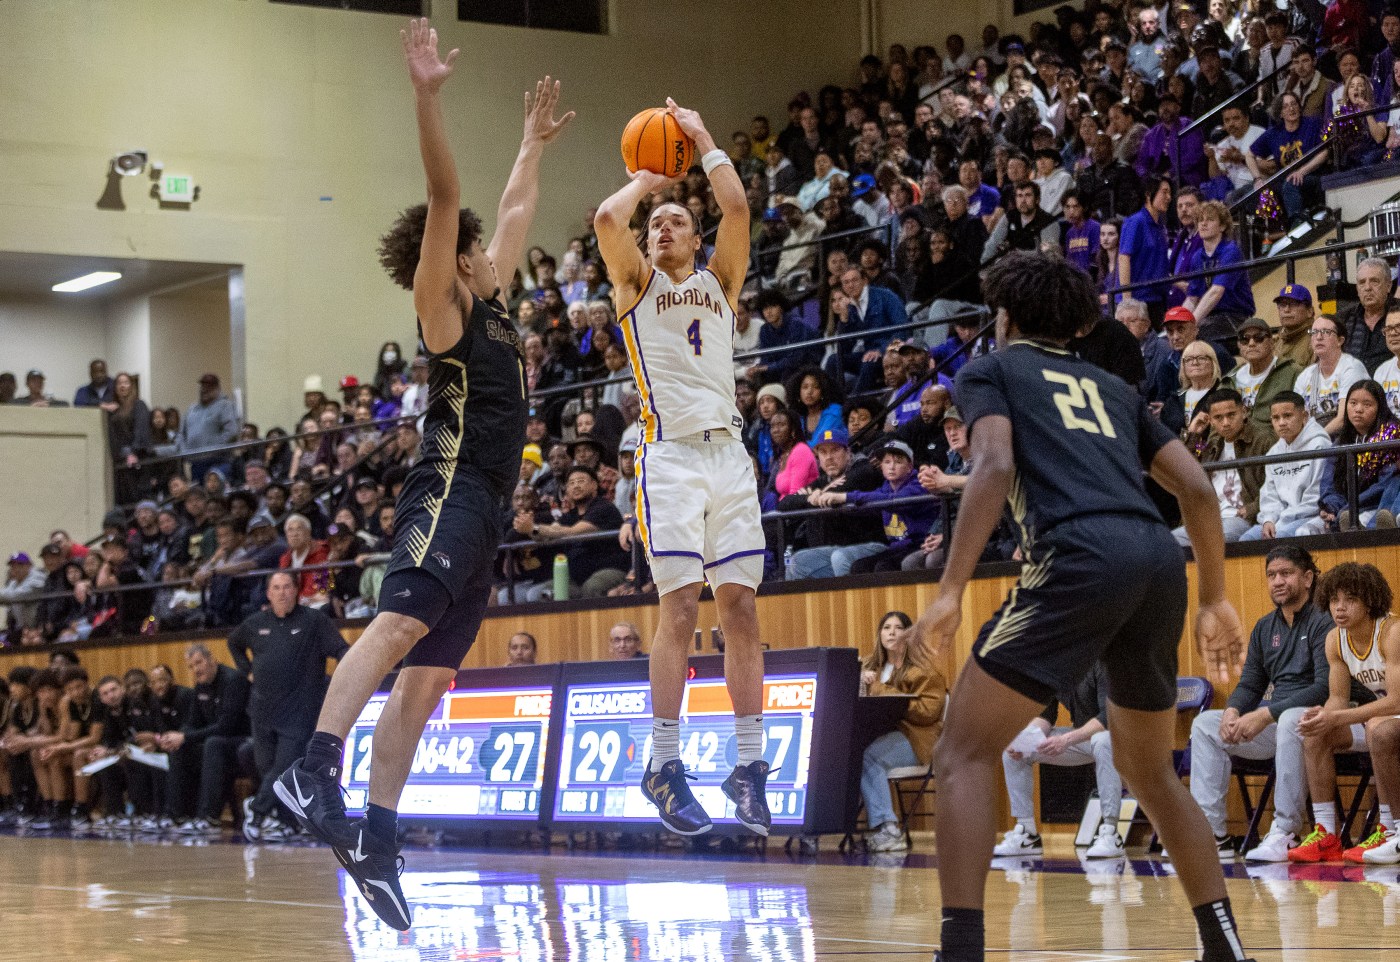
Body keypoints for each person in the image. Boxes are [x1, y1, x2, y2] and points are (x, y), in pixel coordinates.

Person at [275, 21, 571, 933]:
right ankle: (311, 764)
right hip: (448, 492)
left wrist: (530, 145)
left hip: (488, 517)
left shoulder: (496, 306)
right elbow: (448, 194)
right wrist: (427, 96)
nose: (490, 245)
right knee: (398, 623)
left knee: (427, 680)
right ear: (451, 258)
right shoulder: (442, 308)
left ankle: (377, 836)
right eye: (474, 243)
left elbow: (514, 210)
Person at [908, 251, 1249, 962]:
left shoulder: (992, 370)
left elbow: (994, 467)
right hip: (1157, 560)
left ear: (1003, 317)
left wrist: (948, 592)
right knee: (1149, 770)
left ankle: (960, 951)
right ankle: (1224, 946)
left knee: (963, 751)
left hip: (1078, 555)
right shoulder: (1115, 388)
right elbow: (1198, 489)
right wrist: (1215, 596)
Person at [593, 96, 772, 840]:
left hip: (729, 455)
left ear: (695, 241)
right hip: (667, 459)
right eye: (655, 224)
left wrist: (699, 137)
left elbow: (735, 204)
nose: (660, 227)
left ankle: (749, 765)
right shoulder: (636, 284)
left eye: (673, 222)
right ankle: (663, 763)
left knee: (741, 610)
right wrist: (646, 178)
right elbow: (608, 220)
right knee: (679, 611)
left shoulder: (719, 282)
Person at [1188, 545, 1332, 861]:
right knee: (1206, 725)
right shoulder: (1265, 627)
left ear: (1307, 578)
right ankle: (1211, 835)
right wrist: (1232, 711)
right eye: (1271, 575)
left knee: (1293, 717)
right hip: (1274, 724)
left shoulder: (1324, 620)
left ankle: (1287, 832)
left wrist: (1266, 715)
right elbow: (1251, 684)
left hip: (1316, 723)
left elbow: (1325, 687)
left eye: (1286, 573)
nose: (1277, 581)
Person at [1289, 563, 1400, 864]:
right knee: (1316, 733)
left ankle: (1391, 833)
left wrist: (1337, 717)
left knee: (1380, 727)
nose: (1339, 607)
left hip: (1392, 716)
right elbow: (1338, 700)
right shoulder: (1335, 640)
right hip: (1382, 720)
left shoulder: (1391, 633)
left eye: (1350, 599)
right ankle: (1326, 834)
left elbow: (1396, 702)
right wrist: (1323, 716)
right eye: (1334, 599)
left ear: (1369, 601)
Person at [229, 571, 348, 842]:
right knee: (267, 769)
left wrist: (348, 676)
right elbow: (233, 642)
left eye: (286, 587)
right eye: (276, 588)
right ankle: (285, 823)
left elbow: (341, 649)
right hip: (261, 711)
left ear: (296, 591)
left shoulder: (314, 622)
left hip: (299, 711)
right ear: (268, 593)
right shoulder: (255, 623)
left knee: (283, 770)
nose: (281, 592)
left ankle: (257, 812)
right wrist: (247, 670)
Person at [993, 663, 1128, 859]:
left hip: (1120, 739)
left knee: (1102, 740)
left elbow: (1108, 718)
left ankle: (1110, 832)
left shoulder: (1102, 661)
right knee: (1015, 750)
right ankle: (1027, 833)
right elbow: (1046, 715)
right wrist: (1025, 741)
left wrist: (1066, 740)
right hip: (1084, 739)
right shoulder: (1056, 665)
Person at [860, 611, 947, 853]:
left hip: (916, 738)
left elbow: (929, 711)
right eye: (886, 627)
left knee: (869, 757)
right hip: (881, 735)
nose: (891, 632)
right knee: (847, 753)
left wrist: (877, 690)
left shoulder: (924, 669)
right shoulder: (870, 667)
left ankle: (888, 828)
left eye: (898, 628)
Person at [159, 643, 251, 835]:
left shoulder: (234, 680)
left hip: (241, 742)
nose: (196, 670)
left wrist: (185, 736)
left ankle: (208, 818)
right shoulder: (201, 686)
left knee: (212, 744)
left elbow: (227, 726)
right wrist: (175, 737)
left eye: (198, 663)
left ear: (212, 660)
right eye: (191, 667)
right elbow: (192, 722)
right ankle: (175, 815)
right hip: (216, 744)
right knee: (180, 749)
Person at [1172, 388, 1272, 547]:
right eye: (1218, 417)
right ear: (1210, 420)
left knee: (1211, 541)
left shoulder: (1263, 440)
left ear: (1244, 412)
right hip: (1208, 518)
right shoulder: (1211, 445)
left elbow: (1276, 485)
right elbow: (1185, 469)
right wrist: (1193, 434)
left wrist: (1253, 508)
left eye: (1231, 415)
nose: (1225, 423)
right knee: (1169, 543)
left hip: (1242, 519)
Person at [1240, 392, 1332, 541]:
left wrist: (1281, 521)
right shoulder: (1274, 452)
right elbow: (1269, 495)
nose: (1281, 423)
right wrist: (1269, 520)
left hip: (1311, 517)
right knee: (1247, 539)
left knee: (1282, 538)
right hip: (1280, 520)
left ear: (1304, 416)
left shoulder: (1320, 445)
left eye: (1288, 416)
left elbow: (1316, 497)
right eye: (1276, 418)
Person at [1182, 202, 1254, 349]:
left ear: (1222, 226)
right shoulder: (1197, 257)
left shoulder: (1231, 251)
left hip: (1235, 317)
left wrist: (1191, 325)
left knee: (1198, 338)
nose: (1203, 223)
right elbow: (1192, 298)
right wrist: (1179, 322)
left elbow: (1216, 292)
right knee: (1171, 339)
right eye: (1200, 220)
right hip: (1210, 317)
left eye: (1210, 219)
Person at [1294, 314, 1368, 437]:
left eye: (1326, 332)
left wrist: (1313, 440)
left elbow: (1343, 419)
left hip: (1345, 438)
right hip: (1313, 439)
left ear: (1340, 340)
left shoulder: (1351, 368)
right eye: (1314, 332)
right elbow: (1296, 418)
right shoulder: (1305, 376)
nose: (1318, 337)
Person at [1225, 317, 1299, 435]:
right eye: (1245, 339)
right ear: (1239, 345)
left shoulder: (1293, 372)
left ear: (1271, 342)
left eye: (1259, 338)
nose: (1251, 343)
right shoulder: (1228, 380)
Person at [1118, 175, 1174, 328]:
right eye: (1164, 192)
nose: (1169, 197)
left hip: (1157, 299)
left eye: (1170, 193)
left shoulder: (1161, 226)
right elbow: (1124, 258)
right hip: (1138, 301)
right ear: (1149, 194)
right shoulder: (1136, 222)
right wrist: (1127, 301)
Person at [178, 373, 240, 483]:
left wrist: (214, 448)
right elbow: (181, 434)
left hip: (218, 461)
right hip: (196, 462)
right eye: (202, 386)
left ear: (217, 388)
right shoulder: (192, 409)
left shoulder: (225, 405)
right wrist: (184, 451)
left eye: (209, 386)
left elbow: (232, 432)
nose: (204, 389)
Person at [1340, 257, 1395, 374]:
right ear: (1357, 289)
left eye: (1374, 281)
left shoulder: (1398, 314)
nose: (1367, 288)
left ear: (1388, 285)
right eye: (1362, 282)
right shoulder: (1343, 319)